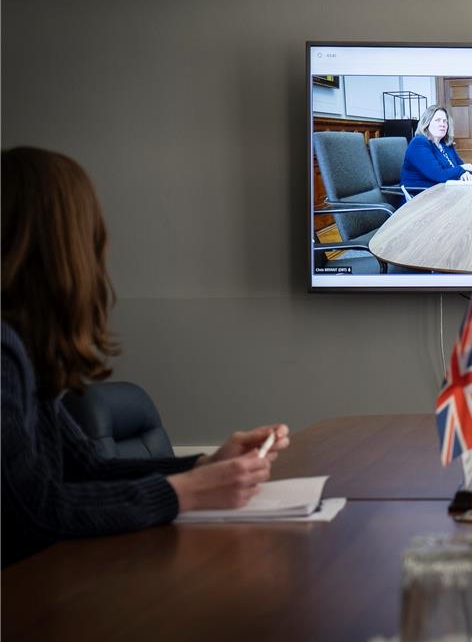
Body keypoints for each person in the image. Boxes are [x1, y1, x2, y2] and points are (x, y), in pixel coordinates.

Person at [1, 147, 290, 568]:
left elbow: (84, 469)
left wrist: (205, 465)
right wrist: (187, 492)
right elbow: (29, 514)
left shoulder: (24, 348)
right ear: (62, 243)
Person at [399, 105, 472, 190]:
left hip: (444, 190)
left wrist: (465, 172)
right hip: (421, 194)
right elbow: (439, 175)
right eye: (437, 120)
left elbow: (463, 167)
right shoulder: (418, 143)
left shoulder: (446, 144)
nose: (442, 124)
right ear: (427, 123)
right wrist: (462, 170)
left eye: (445, 121)